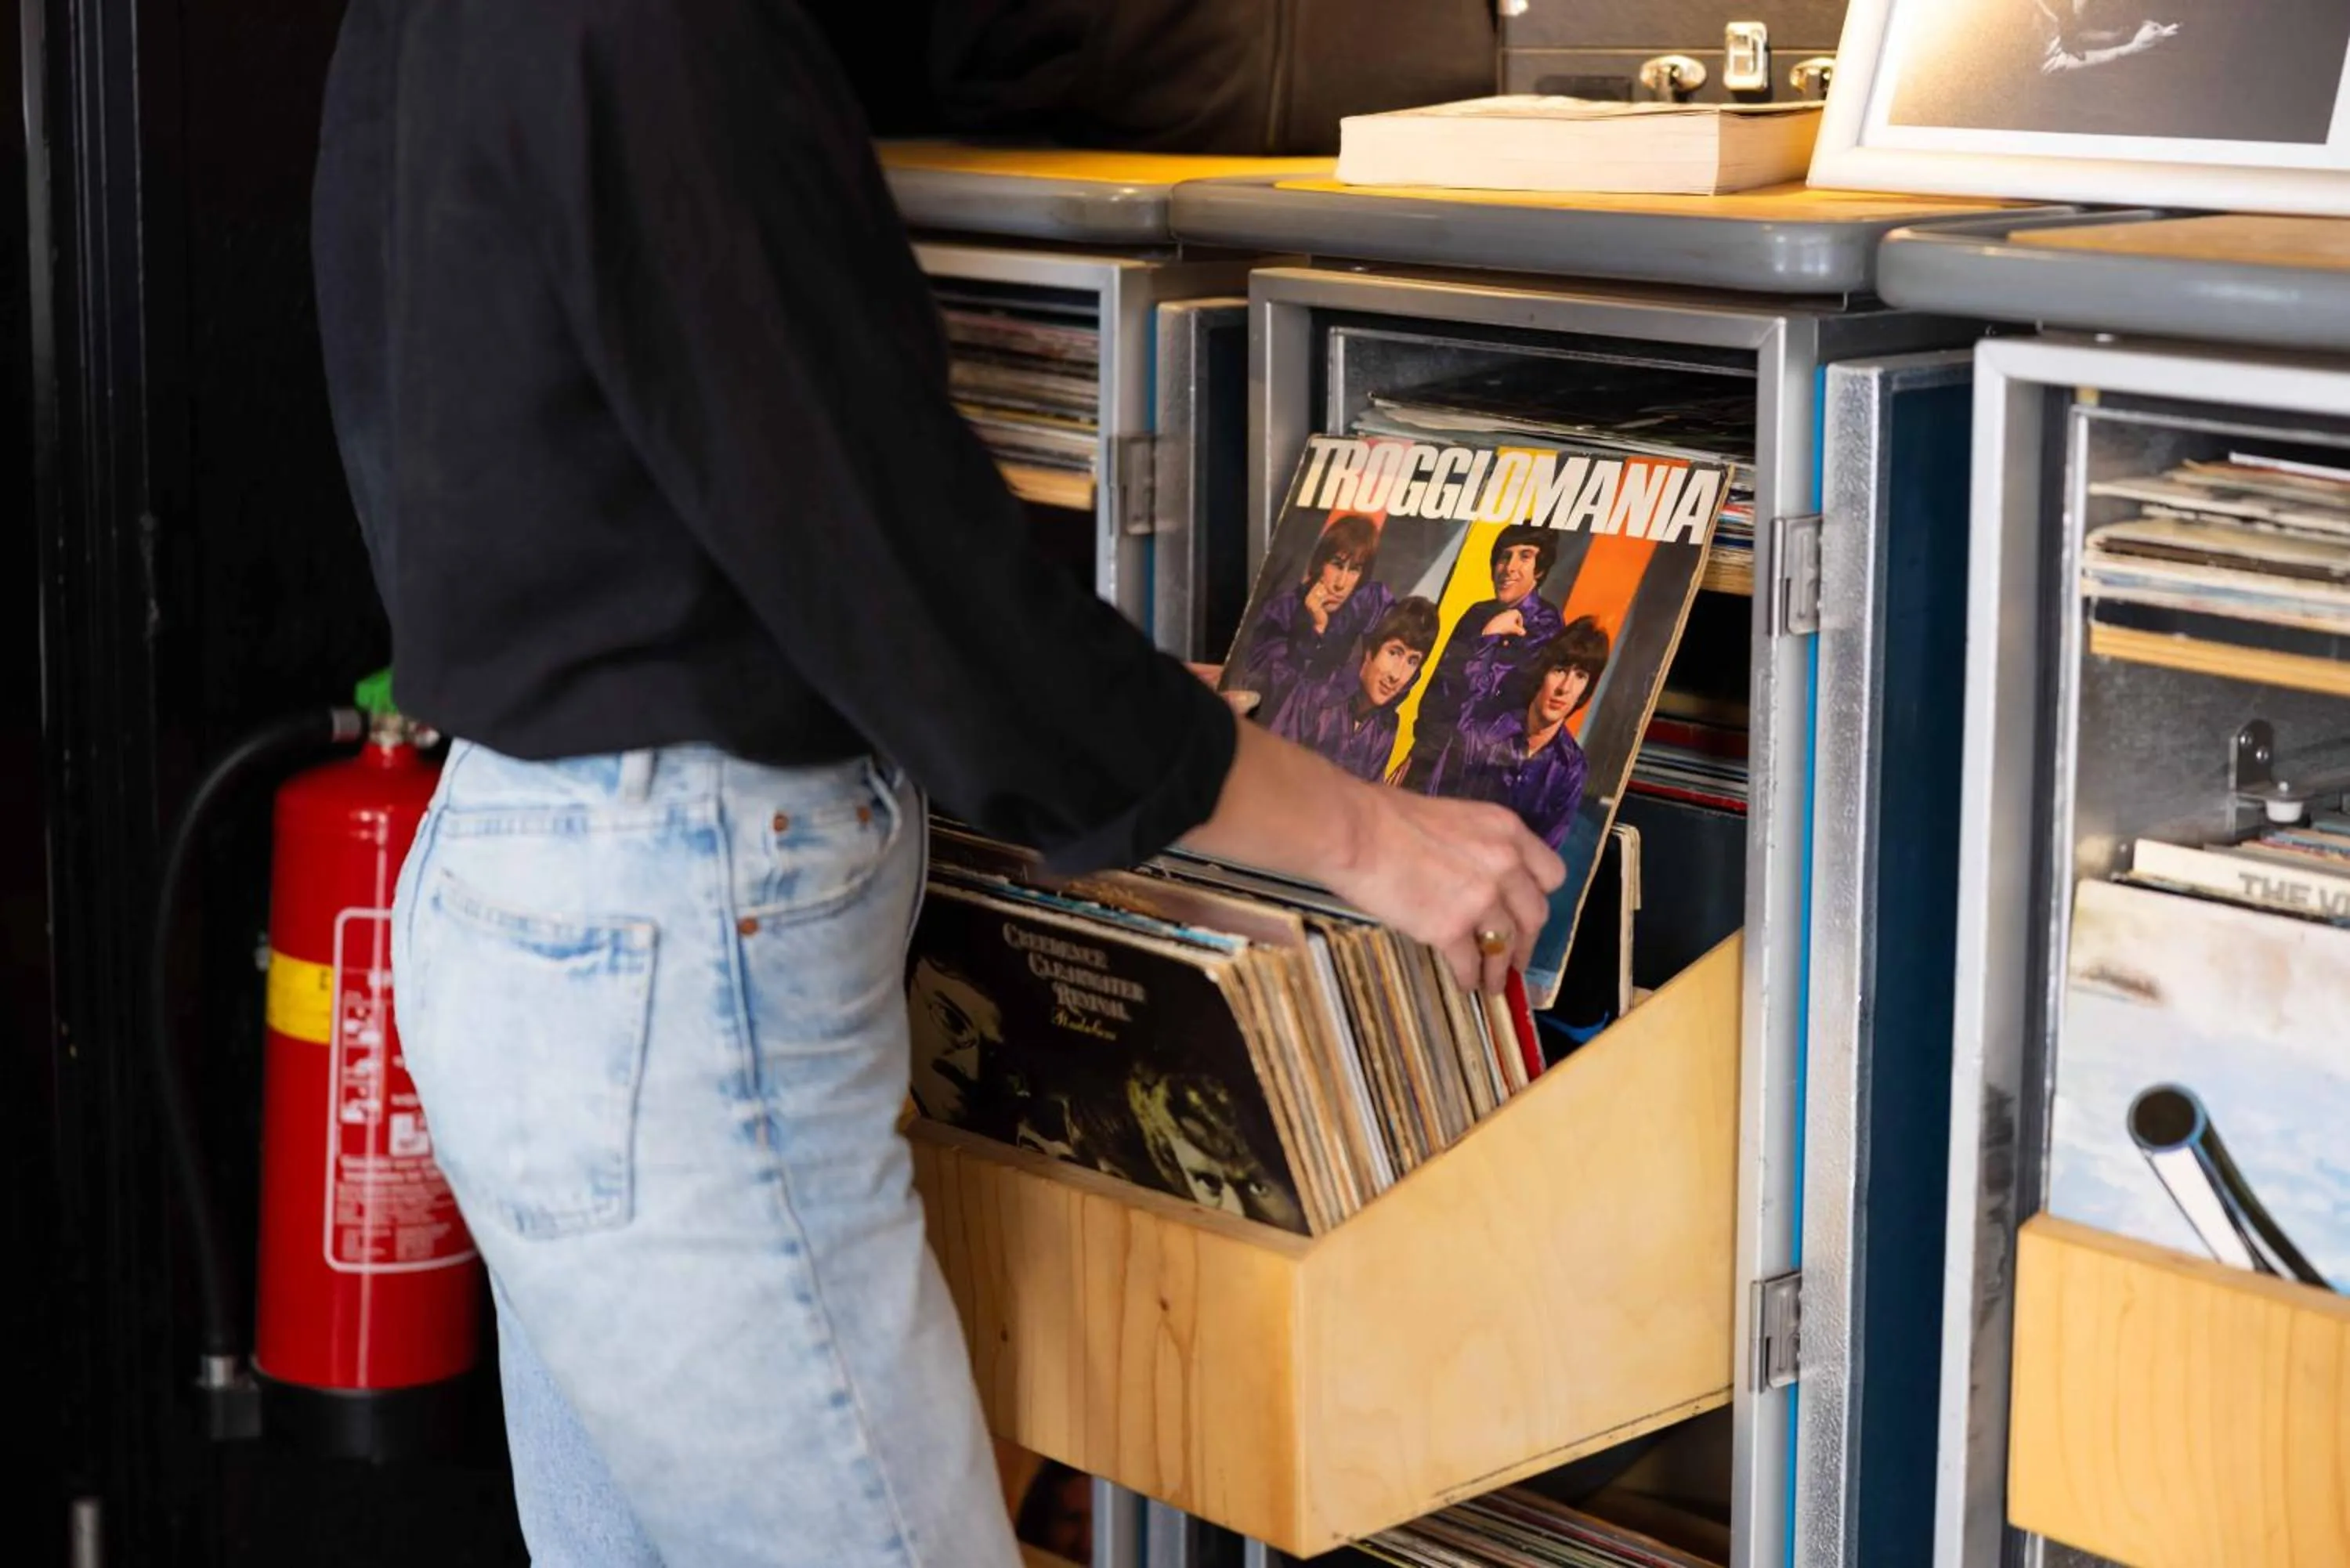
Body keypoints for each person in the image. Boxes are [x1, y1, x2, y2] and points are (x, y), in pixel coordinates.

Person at [311, 4, 1564, 1566]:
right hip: (675, 958)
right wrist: (1367, 832)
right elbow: (894, 564)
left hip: (532, 901)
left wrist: (1048, 692)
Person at [1399, 526, 1564, 789]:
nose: (1509, 568)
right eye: (1504, 557)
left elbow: (1486, 698)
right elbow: (1440, 687)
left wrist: (1490, 636)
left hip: (1479, 772)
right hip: (1434, 755)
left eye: (1525, 556)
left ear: (1540, 569)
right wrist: (1420, 752)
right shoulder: (1477, 613)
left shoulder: (1546, 625)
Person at [1429, 620, 1613, 853]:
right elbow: (1433, 808)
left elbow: (1543, 854)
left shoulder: (1571, 769)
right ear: (1543, 673)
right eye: (1560, 670)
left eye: (1580, 676)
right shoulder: (1482, 733)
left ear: (1585, 691)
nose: (1565, 688)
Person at [1227, 511, 1393, 722]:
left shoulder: (1365, 600)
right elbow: (1269, 690)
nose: (1341, 583)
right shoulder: (1282, 611)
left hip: (1331, 722)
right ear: (1320, 563)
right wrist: (1316, 628)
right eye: (1337, 565)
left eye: (1354, 570)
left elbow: (1400, 635)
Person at [1269, 597, 1441, 784]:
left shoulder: (1386, 727)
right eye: (1394, 652)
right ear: (1370, 651)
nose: (1397, 675)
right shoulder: (1315, 694)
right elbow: (1269, 772)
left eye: (1412, 661)